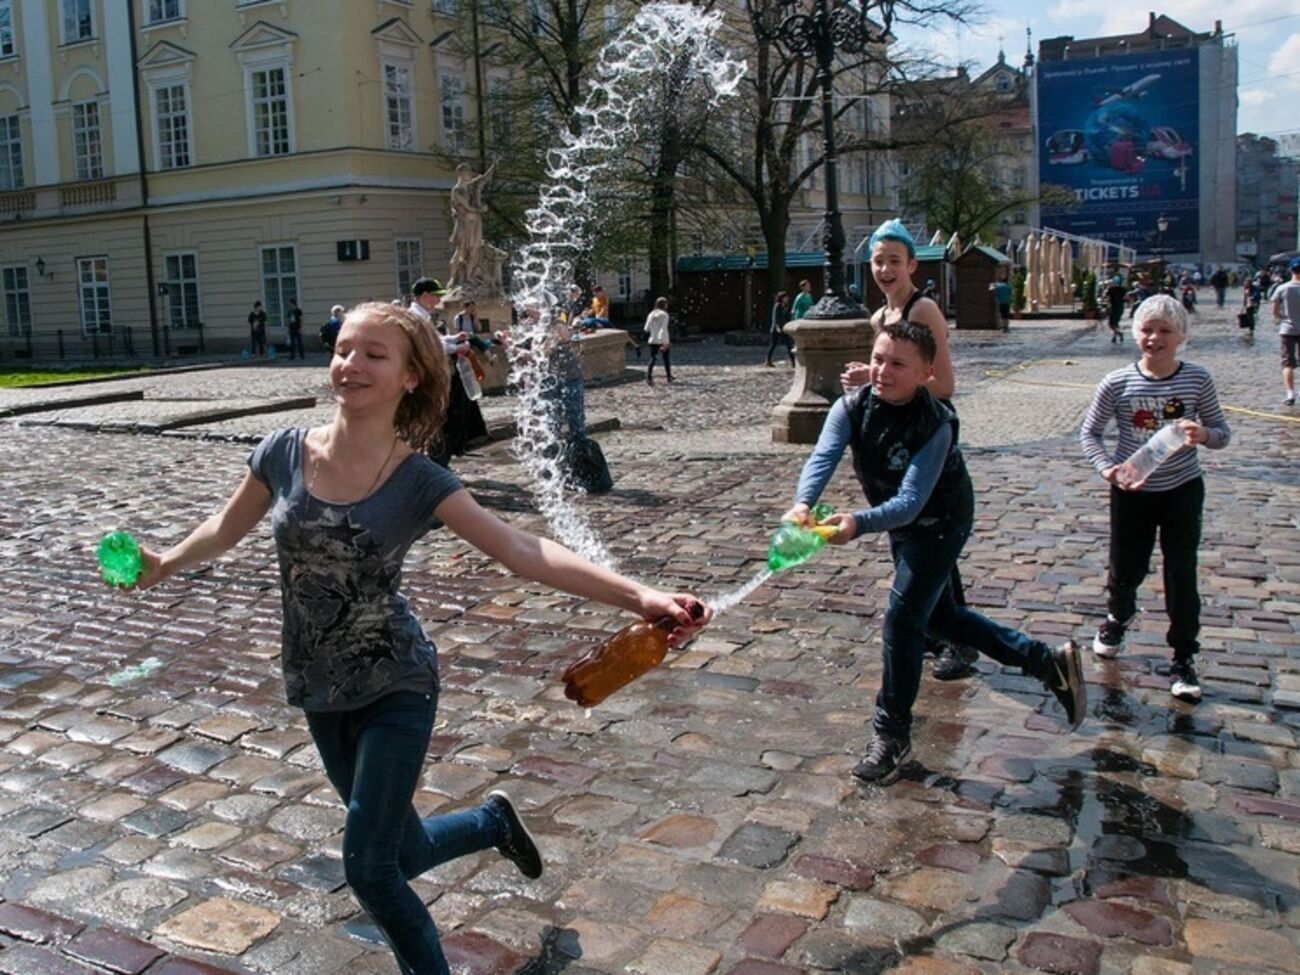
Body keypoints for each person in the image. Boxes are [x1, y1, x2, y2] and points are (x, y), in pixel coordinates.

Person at [112, 301, 712, 974]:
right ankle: (492, 822)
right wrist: (164, 562)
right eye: (344, 349)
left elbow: (521, 548)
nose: (352, 364)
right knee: (402, 849)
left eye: (375, 355)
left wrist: (642, 596)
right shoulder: (283, 453)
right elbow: (224, 529)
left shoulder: (419, 480)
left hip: (396, 681)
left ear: (411, 377)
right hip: (318, 685)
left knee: (370, 868)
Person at [785, 320, 1086, 785]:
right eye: (878, 359)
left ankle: (892, 736)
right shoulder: (851, 406)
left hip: (940, 523)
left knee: (903, 621)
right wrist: (803, 503)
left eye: (898, 364)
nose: (883, 371)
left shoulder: (936, 424)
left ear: (926, 374)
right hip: (901, 523)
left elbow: (910, 502)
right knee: (941, 619)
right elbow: (822, 457)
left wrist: (857, 524)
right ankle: (1045, 661)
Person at [1080, 294, 1230, 703]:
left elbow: (1222, 432)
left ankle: (1183, 656)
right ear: (1135, 333)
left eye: (1165, 330)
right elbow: (1090, 433)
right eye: (1147, 330)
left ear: (1181, 336)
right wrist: (1107, 468)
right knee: (1126, 566)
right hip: (1133, 491)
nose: (1155, 338)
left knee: (1181, 571)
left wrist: (1204, 435)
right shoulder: (1117, 382)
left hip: (1183, 489)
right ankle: (1118, 615)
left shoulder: (1197, 379)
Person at [839, 221, 964, 683]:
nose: (885, 269)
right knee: (908, 534)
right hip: (895, 431)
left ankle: (957, 640)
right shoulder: (879, 318)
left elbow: (944, 384)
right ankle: (932, 627)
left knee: (933, 536)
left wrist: (884, 378)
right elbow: (890, 374)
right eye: (878, 261)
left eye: (894, 260)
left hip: (928, 431)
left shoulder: (922, 309)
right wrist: (871, 375)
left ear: (912, 264)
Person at [410, 277, 487, 465]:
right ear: (425, 296)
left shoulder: (422, 315)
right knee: (438, 420)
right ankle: (437, 462)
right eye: (436, 296)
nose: (438, 300)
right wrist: (457, 348)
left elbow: (435, 341)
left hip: (430, 374)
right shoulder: (417, 318)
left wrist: (453, 338)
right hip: (427, 376)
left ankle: (438, 460)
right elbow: (430, 348)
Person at [1273, 257, 1300, 406]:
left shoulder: (1282, 288)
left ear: (1291, 270)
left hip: (1287, 329)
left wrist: (1280, 319)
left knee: (1287, 363)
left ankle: (1290, 394)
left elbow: (1275, 310)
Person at [644, 296, 673, 385]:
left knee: (653, 358)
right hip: (663, 339)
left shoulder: (651, 314)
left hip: (653, 339)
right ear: (664, 305)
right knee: (666, 358)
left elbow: (646, 328)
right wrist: (663, 341)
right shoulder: (665, 315)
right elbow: (663, 328)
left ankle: (649, 376)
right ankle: (669, 376)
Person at [765, 291, 795, 368]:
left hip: (783, 329)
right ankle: (768, 360)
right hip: (777, 330)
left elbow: (786, 317)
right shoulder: (777, 306)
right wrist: (777, 327)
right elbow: (775, 317)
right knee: (773, 345)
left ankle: (793, 363)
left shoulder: (784, 306)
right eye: (786, 297)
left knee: (789, 345)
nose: (787, 299)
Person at [1105, 276, 1128, 344]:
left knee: (1111, 324)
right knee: (1116, 323)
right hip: (1120, 307)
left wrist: (1108, 305)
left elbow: (1107, 298)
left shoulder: (1111, 289)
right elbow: (1126, 298)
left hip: (1113, 307)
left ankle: (1120, 333)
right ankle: (1114, 337)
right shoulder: (1123, 289)